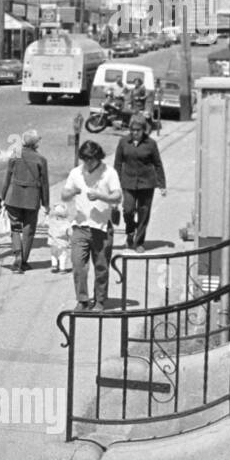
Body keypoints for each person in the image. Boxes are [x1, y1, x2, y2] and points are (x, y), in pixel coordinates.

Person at [62, 140, 123, 312]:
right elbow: (64, 195)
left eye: (91, 159)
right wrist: (72, 191)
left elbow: (117, 196)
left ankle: (100, 300)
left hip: (101, 227)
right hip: (80, 227)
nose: (88, 163)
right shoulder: (76, 173)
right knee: (78, 265)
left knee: (101, 267)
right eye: (85, 159)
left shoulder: (109, 173)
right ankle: (82, 300)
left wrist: (100, 196)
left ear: (98, 157)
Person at [114, 113, 167, 253]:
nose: (135, 133)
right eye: (132, 130)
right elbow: (118, 164)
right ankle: (130, 231)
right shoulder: (123, 142)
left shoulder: (151, 144)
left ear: (144, 130)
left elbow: (158, 164)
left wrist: (162, 185)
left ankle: (139, 242)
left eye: (138, 130)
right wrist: (114, 184)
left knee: (144, 213)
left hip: (147, 183)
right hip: (128, 182)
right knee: (128, 210)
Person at [1, 129, 50, 273]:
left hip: (13, 196)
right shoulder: (41, 159)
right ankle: (23, 261)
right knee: (29, 230)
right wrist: (45, 204)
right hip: (31, 199)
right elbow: (44, 183)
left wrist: (2, 196)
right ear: (35, 144)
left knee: (15, 228)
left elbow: (7, 176)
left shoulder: (16, 154)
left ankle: (17, 254)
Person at [47, 199, 73, 274]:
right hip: (63, 243)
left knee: (53, 254)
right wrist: (71, 240)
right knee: (63, 255)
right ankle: (62, 268)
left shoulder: (51, 221)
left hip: (53, 242)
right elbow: (70, 232)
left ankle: (54, 266)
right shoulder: (67, 223)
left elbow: (45, 224)